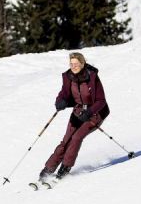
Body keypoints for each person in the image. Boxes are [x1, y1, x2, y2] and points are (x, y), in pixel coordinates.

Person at [39, 52, 110, 181]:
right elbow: (64, 93)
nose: (74, 66)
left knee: (76, 137)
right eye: (71, 64)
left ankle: (65, 167)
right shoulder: (68, 77)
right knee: (66, 140)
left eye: (76, 64)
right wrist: (60, 101)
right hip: (78, 111)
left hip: (95, 113)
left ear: (82, 64)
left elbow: (101, 101)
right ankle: (49, 168)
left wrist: (89, 112)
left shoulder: (92, 77)